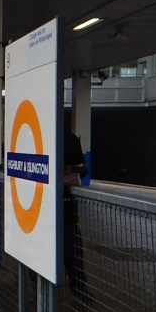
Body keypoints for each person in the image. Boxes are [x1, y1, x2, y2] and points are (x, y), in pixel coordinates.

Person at [63, 124, 89, 302]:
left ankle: (38, 286)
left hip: (39, 202)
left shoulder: (35, 138)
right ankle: (78, 286)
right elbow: (82, 168)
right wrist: (70, 170)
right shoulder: (70, 139)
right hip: (66, 200)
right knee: (72, 243)